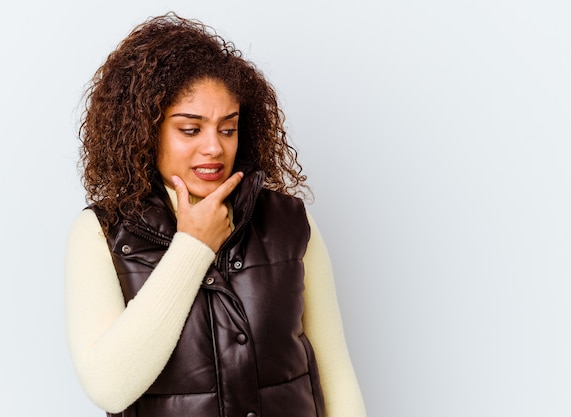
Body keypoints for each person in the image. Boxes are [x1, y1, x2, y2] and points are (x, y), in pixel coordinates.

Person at [64, 12, 366, 417]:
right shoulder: (101, 233)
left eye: (228, 128)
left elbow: (335, 375)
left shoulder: (289, 223)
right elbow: (109, 387)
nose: (214, 148)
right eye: (191, 130)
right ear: (145, 130)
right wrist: (192, 246)